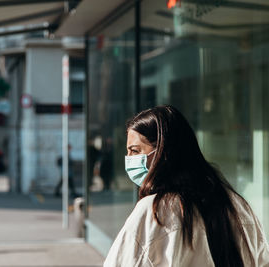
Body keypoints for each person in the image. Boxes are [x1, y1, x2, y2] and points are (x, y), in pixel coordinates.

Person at [104, 105, 269, 267]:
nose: (129, 159)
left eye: (135, 151)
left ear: (163, 152)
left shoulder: (154, 211)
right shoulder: (237, 205)